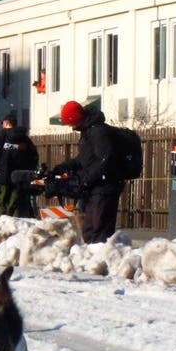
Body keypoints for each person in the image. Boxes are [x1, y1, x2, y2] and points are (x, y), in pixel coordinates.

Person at [53, 100, 125, 244]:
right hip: (95, 187)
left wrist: (85, 178)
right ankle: (94, 257)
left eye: (70, 123)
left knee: (97, 230)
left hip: (105, 187)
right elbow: (85, 159)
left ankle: (100, 260)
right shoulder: (88, 132)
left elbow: (105, 160)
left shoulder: (98, 132)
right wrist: (64, 167)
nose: (71, 127)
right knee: (89, 229)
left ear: (76, 119)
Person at [0, 119, 39, 218]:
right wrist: (28, 172)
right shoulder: (25, 139)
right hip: (20, 177)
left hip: (2, 176)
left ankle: (0, 224)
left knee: (0, 203)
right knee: (16, 204)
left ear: (5, 123)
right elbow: (34, 156)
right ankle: (16, 225)